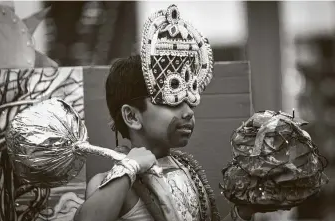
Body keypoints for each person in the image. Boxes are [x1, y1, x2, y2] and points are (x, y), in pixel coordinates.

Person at [74, 4, 276, 221]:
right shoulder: (113, 182)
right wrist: (129, 168)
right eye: (172, 102)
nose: (188, 112)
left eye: (190, 101)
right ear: (132, 116)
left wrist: (243, 212)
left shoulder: (188, 171)